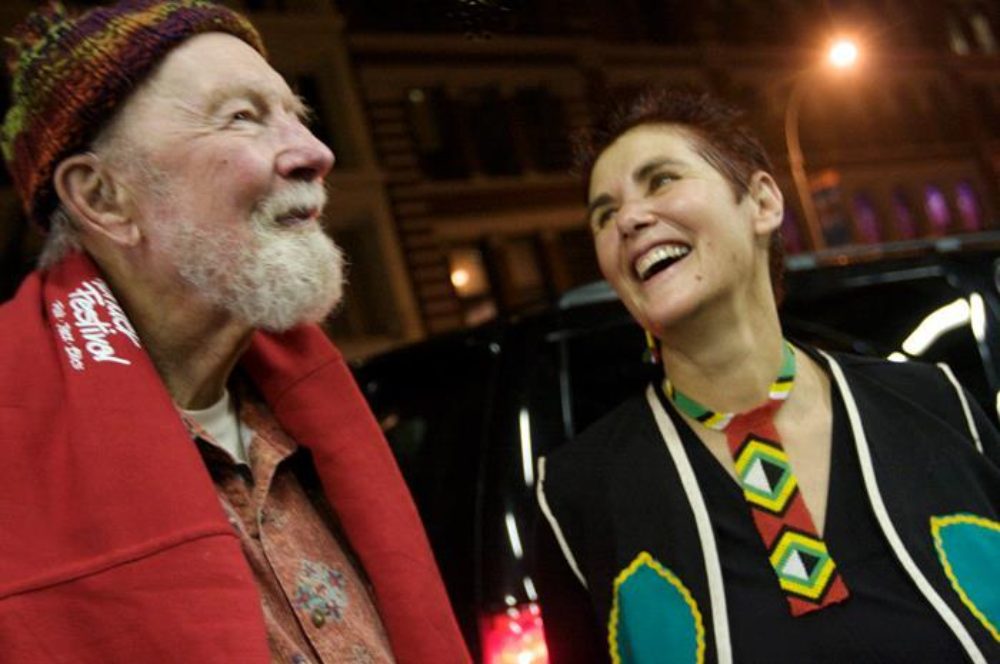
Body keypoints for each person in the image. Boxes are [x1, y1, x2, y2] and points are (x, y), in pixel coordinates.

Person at [0, 2, 470, 662]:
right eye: (243, 118)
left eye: (297, 117)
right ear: (104, 198)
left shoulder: (307, 419)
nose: (316, 153)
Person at [535, 88, 1000, 663]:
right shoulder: (577, 493)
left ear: (761, 202)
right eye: (604, 214)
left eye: (660, 181)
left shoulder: (936, 404)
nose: (628, 218)